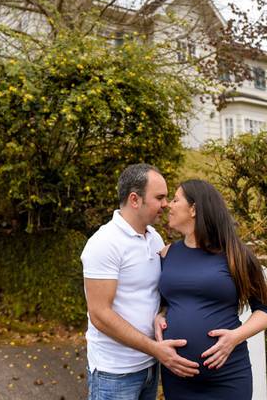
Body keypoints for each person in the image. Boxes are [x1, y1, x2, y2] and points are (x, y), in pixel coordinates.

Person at [80, 163, 200, 400]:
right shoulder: (104, 243)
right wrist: (156, 349)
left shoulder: (154, 238)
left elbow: (157, 293)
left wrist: (161, 314)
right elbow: (100, 315)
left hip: (149, 367)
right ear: (135, 200)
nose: (166, 205)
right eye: (160, 197)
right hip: (115, 373)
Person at [155, 179, 267, 400]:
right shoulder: (166, 254)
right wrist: (159, 316)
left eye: (175, 199)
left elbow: (266, 311)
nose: (168, 205)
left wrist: (235, 337)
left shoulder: (236, 255)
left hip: (228, 377)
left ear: (194, 209)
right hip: (178, 377)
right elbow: (166, 302)